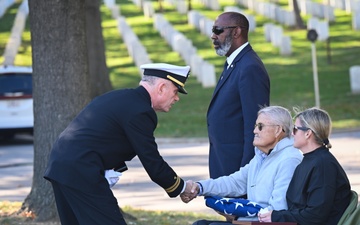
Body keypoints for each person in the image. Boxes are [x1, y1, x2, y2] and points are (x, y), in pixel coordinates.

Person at [44, 63, 192, 225]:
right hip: (81, 169)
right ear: (162, 87)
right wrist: (181, 187)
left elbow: (104, 139)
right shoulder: (141, 111)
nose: (176, 98)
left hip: (62, 165)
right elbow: (151, 161)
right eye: (175, 91)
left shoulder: (121, 98)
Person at [182, 106, 303, 225]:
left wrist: (237, 217)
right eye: (255, 126)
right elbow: (234, 182)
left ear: (278, 130)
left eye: (260, 126)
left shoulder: (289, 160)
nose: (254, 131)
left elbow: (278, 211)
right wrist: (199, 187)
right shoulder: (261, 156)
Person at [258, 107, 352, 225]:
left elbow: (315, 215)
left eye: (295, 129)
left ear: (308, 133)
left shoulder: (323, 165)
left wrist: (276, 216)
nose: (292, 134)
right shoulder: (309, 161)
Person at [207, 11, 270, 179]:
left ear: (236, 32)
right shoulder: (234, 63)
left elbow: (255, 124)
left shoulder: (249, 67)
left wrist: (246, 172)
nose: (213, 36)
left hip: (237, 168)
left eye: (218, 30)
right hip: (225, 162)